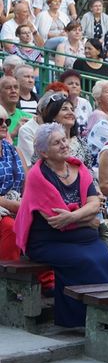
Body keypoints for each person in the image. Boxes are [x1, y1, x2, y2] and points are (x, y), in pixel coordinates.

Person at [14, 122, 108, 327]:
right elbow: (56, 221)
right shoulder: (38, 176)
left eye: (64, 139)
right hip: (49, 241)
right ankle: (94, 319)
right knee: (85, 261)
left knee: (105, 258)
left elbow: (94, 202)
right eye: (56, 143)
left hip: (84, 237)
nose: (63, 144)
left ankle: (107, 315)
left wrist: (73, 215)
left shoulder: (78, 167)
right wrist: (87, 218)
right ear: (43, 152)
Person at [0, 106, 26, 260]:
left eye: (7, 121)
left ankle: (48, 281)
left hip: (17, 203)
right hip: (5, 209)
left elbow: (28, 185)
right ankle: (7, 279)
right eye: (0, 121)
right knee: (11, 226)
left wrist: (27, 205)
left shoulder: (14, 150)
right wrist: (16, 206)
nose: (4, 125)